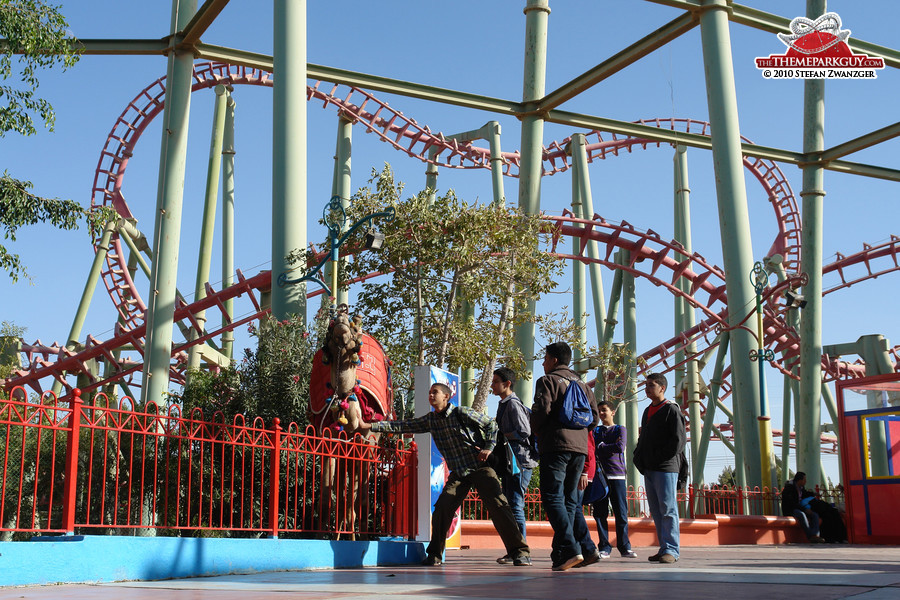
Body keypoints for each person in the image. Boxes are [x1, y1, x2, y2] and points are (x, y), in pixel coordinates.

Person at [357, 382, 531, 567]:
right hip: (459, 473)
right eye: (430, 392)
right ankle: (434, 555)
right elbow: (403, 425)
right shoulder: (431, 420)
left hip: (479, 467)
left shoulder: (462, 412)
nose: (431, 396)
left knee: (499, 507)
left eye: (435, 392)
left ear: (446, 397)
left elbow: (491, 425)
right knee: (442, 508)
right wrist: (369, 425)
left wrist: (488, 447)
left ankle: (520, 553)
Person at [531, 341, 600, 571]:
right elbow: (594, 417)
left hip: (555, 445)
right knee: (570, 501)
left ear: (554, 360)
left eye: (545, 358)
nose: (543, 363)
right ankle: (565, 554)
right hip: (579, 449)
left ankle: (571, 549)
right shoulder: (583, 384)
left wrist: (537, 430)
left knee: (552, 497)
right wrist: (580, 435)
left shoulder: (548, 381)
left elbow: (541, 410)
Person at [633, 373, 686, 564]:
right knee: (656, 510)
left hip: (666, 467)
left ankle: (672, 549)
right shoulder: (647, 411)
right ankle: (664, 547)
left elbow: (678, 441)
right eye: (646, 385)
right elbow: (643, 438)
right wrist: (638, 457)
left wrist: (658, 457)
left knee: (668, 508)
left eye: (651, 385)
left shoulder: (671, 410)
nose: (647, 388)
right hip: (649, 467)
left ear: (662, 388)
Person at [491, 367, 539, 565]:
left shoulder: (512, 404)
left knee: (516, 505)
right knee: (510, 506)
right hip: (512, 462)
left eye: (495, 381)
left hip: (520, 461)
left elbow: (524, 431)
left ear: (507, 383)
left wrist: (501, 435)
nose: (492, 385)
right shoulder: (505, 403)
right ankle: (515, 549)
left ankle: (522, 552)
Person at [590, 400, 637, 559]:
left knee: (621, 512)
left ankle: (625, 547)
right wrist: (605, 446)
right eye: (599, 411)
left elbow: (620, 447)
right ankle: (604, 546)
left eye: (604, 410)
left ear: (613, 412)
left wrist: (602, 446)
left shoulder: (620, 429)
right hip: (600, 477)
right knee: (600, 513)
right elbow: (593, 448)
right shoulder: (595, 431)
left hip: (617, 475)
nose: (602, 413)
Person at [781, 472, 824, 543]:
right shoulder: (789, 488)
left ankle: (815, 535)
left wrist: (813, 494)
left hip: (799, 507)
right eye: (804, 480)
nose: (805, 481)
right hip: (791, 509)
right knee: (802, 515)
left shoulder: (800, 488)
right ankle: (810, 536)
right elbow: (792, 503)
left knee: (815, 515)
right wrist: (805, 509)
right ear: (799, 480)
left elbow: (804, 494)